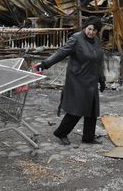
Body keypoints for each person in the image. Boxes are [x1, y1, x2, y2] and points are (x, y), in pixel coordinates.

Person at [34, 16, 106, 145]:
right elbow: (61, 52)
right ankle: (61, 133)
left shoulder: (96, 40)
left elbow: (99, 61)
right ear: (85, 27)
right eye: (90, 29)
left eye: (95, 30)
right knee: (77, 109)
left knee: (92, 110)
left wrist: (102, 79)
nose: (91, 32)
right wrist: (45, 64)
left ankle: (88, 137)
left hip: (92, 80)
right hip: (78, 80)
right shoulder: (76, 38)